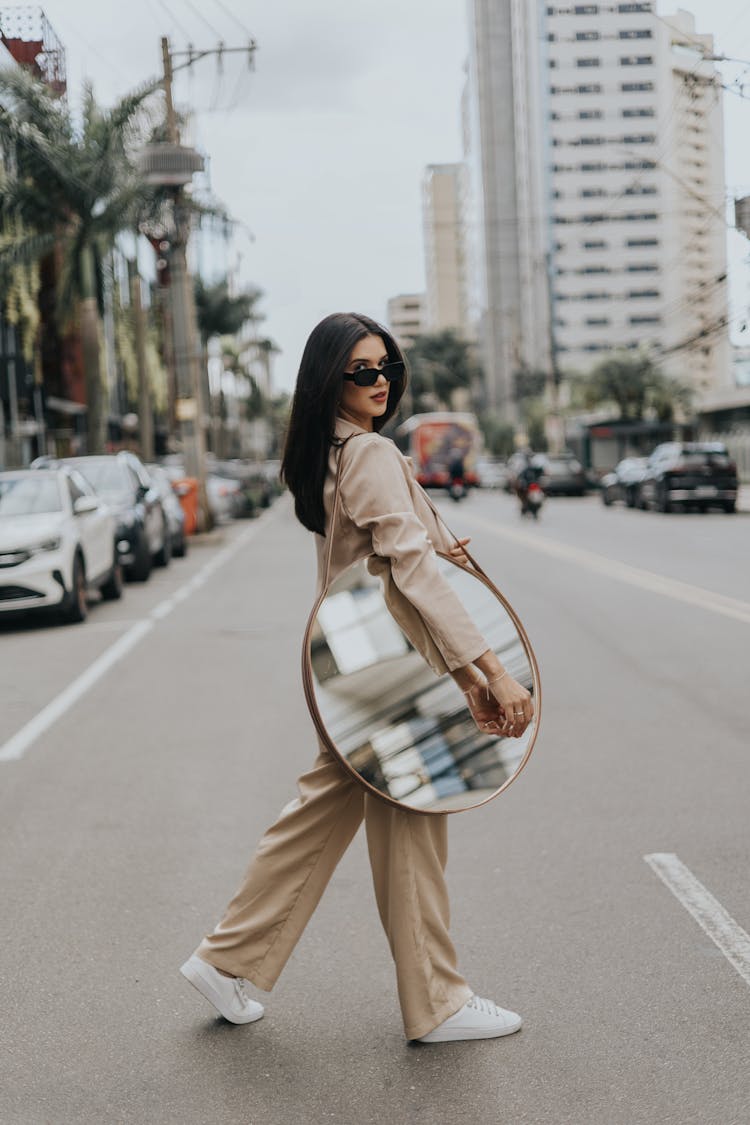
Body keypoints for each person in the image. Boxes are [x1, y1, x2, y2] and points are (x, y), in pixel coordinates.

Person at [180, 312, 533, 1043]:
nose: (380, 382)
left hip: (354, 662)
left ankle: (230, 956)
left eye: (387, 368)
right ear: (329, 381)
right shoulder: (369, 453)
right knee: (409, 824)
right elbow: (407, 570)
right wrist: (490, 669)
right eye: (363, 371)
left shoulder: (332, 452)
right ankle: (435, 1003)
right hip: (391, 666)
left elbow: (387, 552)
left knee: (330, 814)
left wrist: (435, 541)